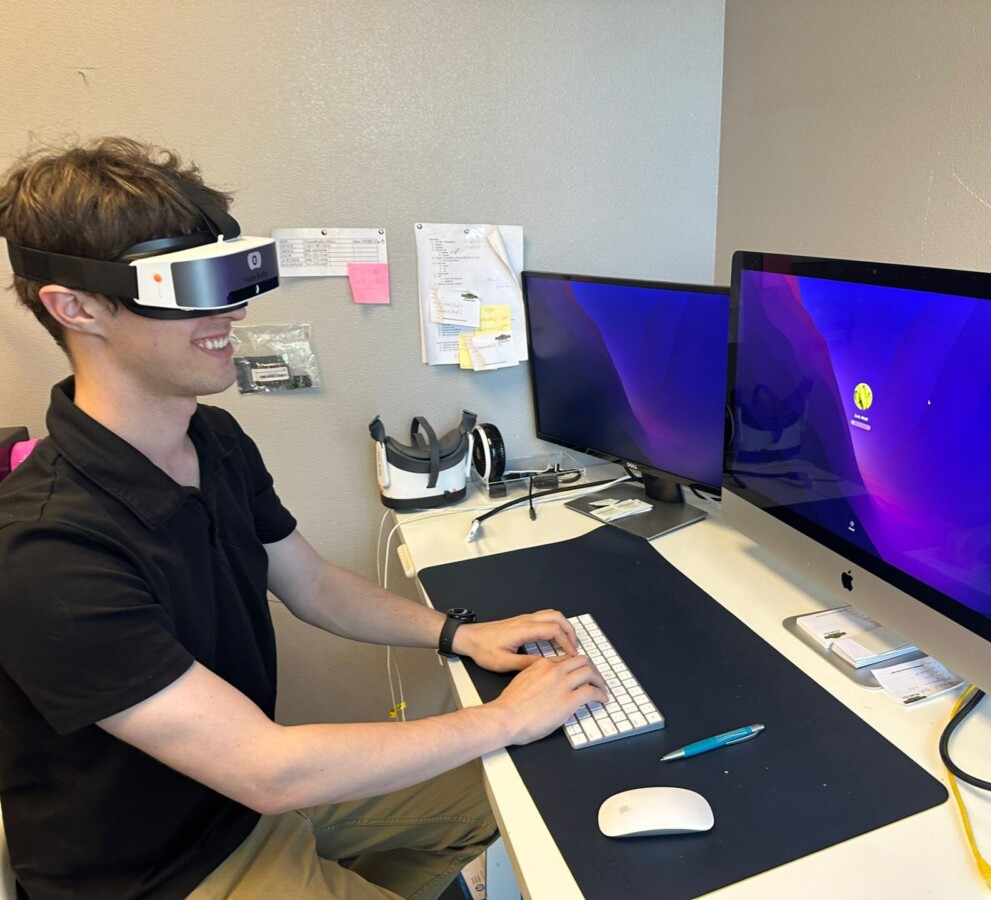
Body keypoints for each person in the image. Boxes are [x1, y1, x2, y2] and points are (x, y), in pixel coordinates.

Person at [0, 137, 607, 900]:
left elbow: (311, 584)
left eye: (229, 277)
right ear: (76, 306)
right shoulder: (44, 551)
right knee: (506, 742)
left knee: (508, 795)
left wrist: (459, 634)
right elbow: (266, 768)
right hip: (163, 872)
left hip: (247, 806)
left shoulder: (213, 438)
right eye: (188, 286)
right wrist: (505, 718)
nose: (232, 311)